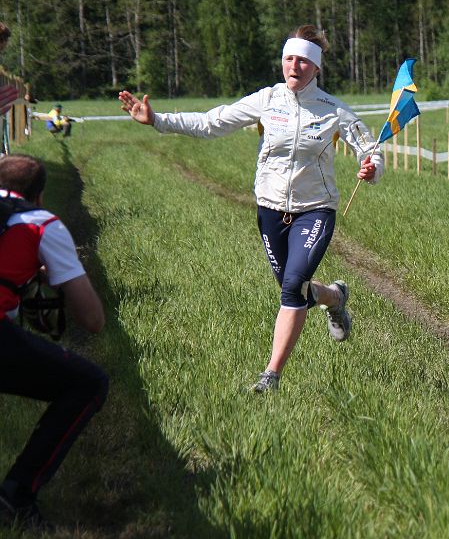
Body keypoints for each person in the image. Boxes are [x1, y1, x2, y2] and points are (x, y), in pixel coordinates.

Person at [117, 25, 384, 393]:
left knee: (292, 289)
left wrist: (372, 168)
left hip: (315, 209)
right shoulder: (267, 99)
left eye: (303, 61)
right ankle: (335, 298)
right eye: (289, 59)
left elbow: (370, 149)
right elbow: (211, 123)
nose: (294, 66)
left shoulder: (333, 110)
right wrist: (158, 120)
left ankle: (270, 376)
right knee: (295, 288)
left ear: (316, 67)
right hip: (270, 210)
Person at [0, 154, 109, 529]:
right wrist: (60, 274)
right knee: (89, 382)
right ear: (40, 196)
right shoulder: (41, 222)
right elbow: (92, 320)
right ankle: (16, 495)